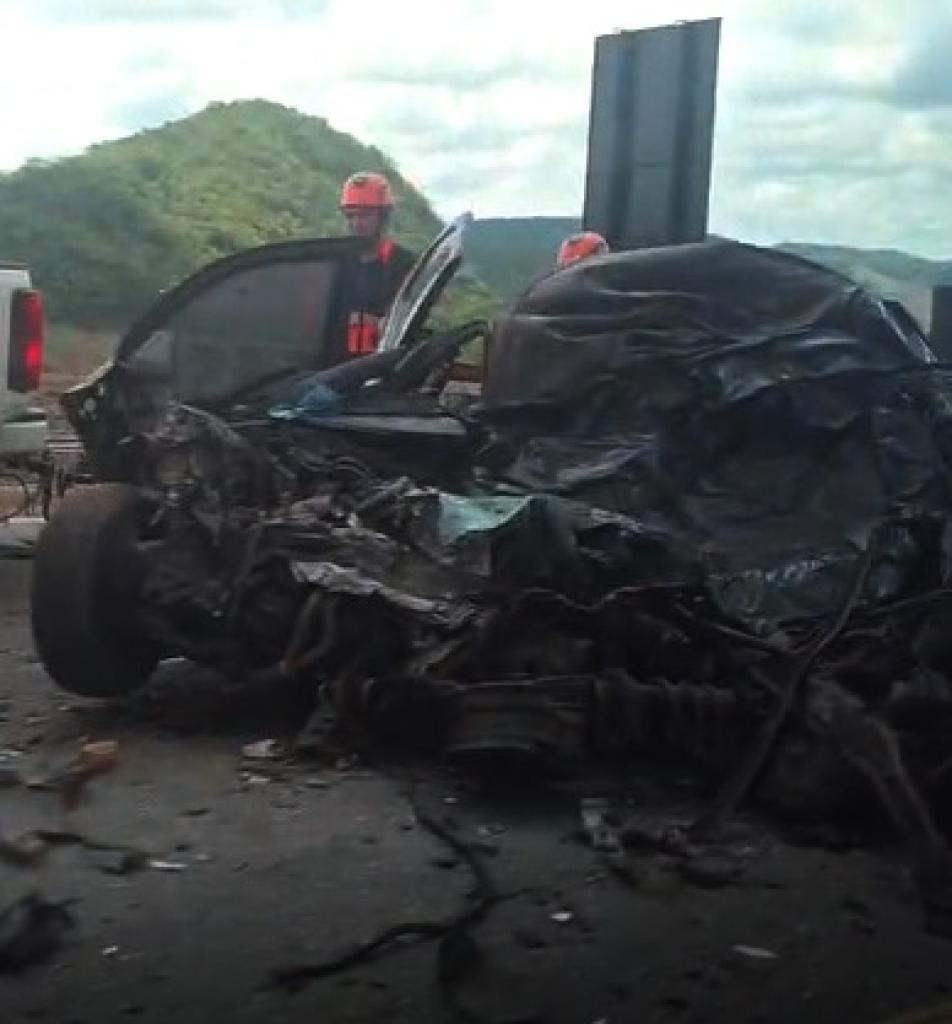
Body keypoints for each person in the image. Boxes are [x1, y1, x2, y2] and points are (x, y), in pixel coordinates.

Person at [338, 171, 416, 357]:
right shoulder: (338, 262)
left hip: (380, 368)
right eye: (350, 216)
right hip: (336, 368)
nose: (356, 223)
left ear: (383, 217)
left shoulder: (404, 265)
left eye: (364, 215)